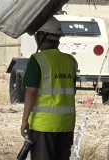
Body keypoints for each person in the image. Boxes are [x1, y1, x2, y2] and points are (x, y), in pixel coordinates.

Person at [20, 18, 77, 160]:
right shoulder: (70, 61)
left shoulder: (37, 60)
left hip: (43, 126)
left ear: (41, 36)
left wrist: (24, 120)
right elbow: (72, 90)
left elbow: (31, 91)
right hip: (66, 125)